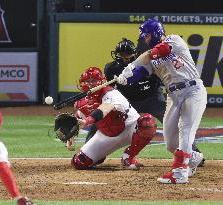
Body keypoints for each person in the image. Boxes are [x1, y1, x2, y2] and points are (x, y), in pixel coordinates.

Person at [117, 18, 207, 184]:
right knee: (171, 143)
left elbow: (157, 52)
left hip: (193, 90)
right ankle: (193, 158)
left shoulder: (173, 40)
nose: (145, 39)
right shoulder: (151, 58)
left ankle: (180, 172)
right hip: (173, 96)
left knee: (185, 128)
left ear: (154, 33)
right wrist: (126, 78)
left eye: (146, 36)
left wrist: (132, 65)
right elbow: (140, 73)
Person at [70, 66, 157, 170]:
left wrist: (88, 120)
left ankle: (129, 156)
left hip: (130, 128)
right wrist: (70, 137)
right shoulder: (82, 103)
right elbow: (76, 122)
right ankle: (98, 157)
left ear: (101, 81)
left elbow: (105, 108)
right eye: (87, 81)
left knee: (147, 123)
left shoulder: (111, 93)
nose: (90, 84)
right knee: (78, 162)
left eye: (93, 81)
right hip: (106, 136)